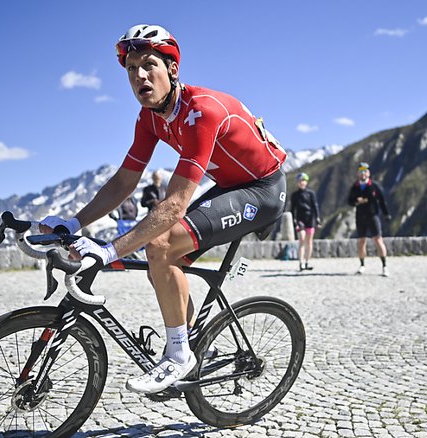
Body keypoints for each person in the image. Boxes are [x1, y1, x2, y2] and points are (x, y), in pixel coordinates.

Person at [39, 24, 287, 395]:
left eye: (148, 64)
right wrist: (72, 223)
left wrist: (108, 252)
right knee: (161, 266)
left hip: (262, 190)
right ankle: (191, 345)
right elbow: (124, 182)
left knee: (160, 245)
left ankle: (178, 356)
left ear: (172, 69)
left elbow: (173, 205)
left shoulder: (201, 111)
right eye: (130, 69)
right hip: (230, 185)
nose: (139, 75)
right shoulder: (150, 118)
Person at [347, 162, 391, 276]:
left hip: (373, 215)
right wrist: (357, 201)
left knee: (378, 239)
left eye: (365, 171)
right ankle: (362, 265)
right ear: (358, 173)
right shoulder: (355, 187)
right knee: (361, 241)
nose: (363, 173)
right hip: (360, 216)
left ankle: (384, 266)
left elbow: (382, 200)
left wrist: (386, 214)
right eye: (361, 171)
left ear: (369, 173)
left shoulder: (374, 186)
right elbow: (349, 201)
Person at [290, 172, 320, 271]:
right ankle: (301, 263)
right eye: (300, 181)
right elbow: (292, 209)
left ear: (306, 182)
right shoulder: (294, 195)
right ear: (297, 183)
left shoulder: (311, 193)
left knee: (309, 241)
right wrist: (293, 220)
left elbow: (315, 206)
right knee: (302, 240)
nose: (302, 183)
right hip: (300, 219)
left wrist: (317, 218)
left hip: (310, 219)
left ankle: (307, 262)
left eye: (303, 181)